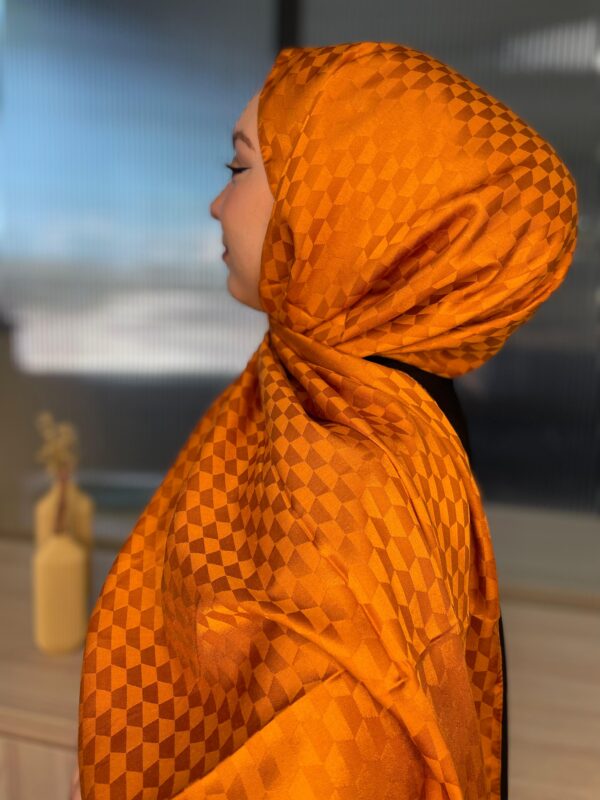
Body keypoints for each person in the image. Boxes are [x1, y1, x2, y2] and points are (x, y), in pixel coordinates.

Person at [76, 42, 577, 799]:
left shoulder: (353, 465)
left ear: (346, 207)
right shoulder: (324, 391)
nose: (217, 204)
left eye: (238, 169)